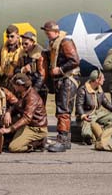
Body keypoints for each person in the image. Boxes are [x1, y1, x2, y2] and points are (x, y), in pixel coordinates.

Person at [41, 20, 80, 152]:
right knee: (62, 108)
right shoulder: (54, 43)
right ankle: (65, 139)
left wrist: (60, 70)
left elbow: (74, 60)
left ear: (56, 32)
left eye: (48, 32)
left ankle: (62, 139)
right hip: (62, 80)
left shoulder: (65, 42)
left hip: (68, 79)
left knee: (63, 110)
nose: (47, 35)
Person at [0, 73, 48, 152]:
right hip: (27, 125)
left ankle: (37, 143)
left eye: (15, 85)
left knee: (14, 147)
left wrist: (10, 129)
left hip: (36, 128)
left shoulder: (32, 97)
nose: (13, 87)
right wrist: (8, 113)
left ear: (21, 85)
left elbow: (27, 118)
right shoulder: (23, 92)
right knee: (3, 122)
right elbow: (16, 105)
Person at [76, 70, 112, 145]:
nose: (104, 79)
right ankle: (89, 137)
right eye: (102, 78)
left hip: (97, 113)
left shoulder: (99, 89)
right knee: (87, 123)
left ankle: (104, 133)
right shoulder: (83, 90)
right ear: (97, 80)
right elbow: (79, 105)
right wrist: (82, 115)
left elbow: (105, 102)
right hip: (87, 114)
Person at [17, 31, 49, 104]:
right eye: (22, 44)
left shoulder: (40, 55)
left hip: (39, 89)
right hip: (26, 88)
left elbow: (42, 76)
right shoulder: (22, 54)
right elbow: (16, 70)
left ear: (32, 42)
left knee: (38, 111)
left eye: (26, 44)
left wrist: (34, 92)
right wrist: (23, 70)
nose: (24, 46)